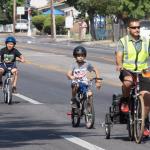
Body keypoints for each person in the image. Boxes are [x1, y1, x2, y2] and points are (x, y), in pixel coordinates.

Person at [115, 18, 150, 136]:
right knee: (128, 83)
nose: (137, 29)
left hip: (143, 71)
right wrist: (119, 65)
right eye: (134, 27)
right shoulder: (123, 41)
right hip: (127, 70)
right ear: (128, 29)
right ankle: (125, 100)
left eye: (138, 27)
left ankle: (144, 123)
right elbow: (119, 55)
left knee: (146, 97)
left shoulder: (146, 41)